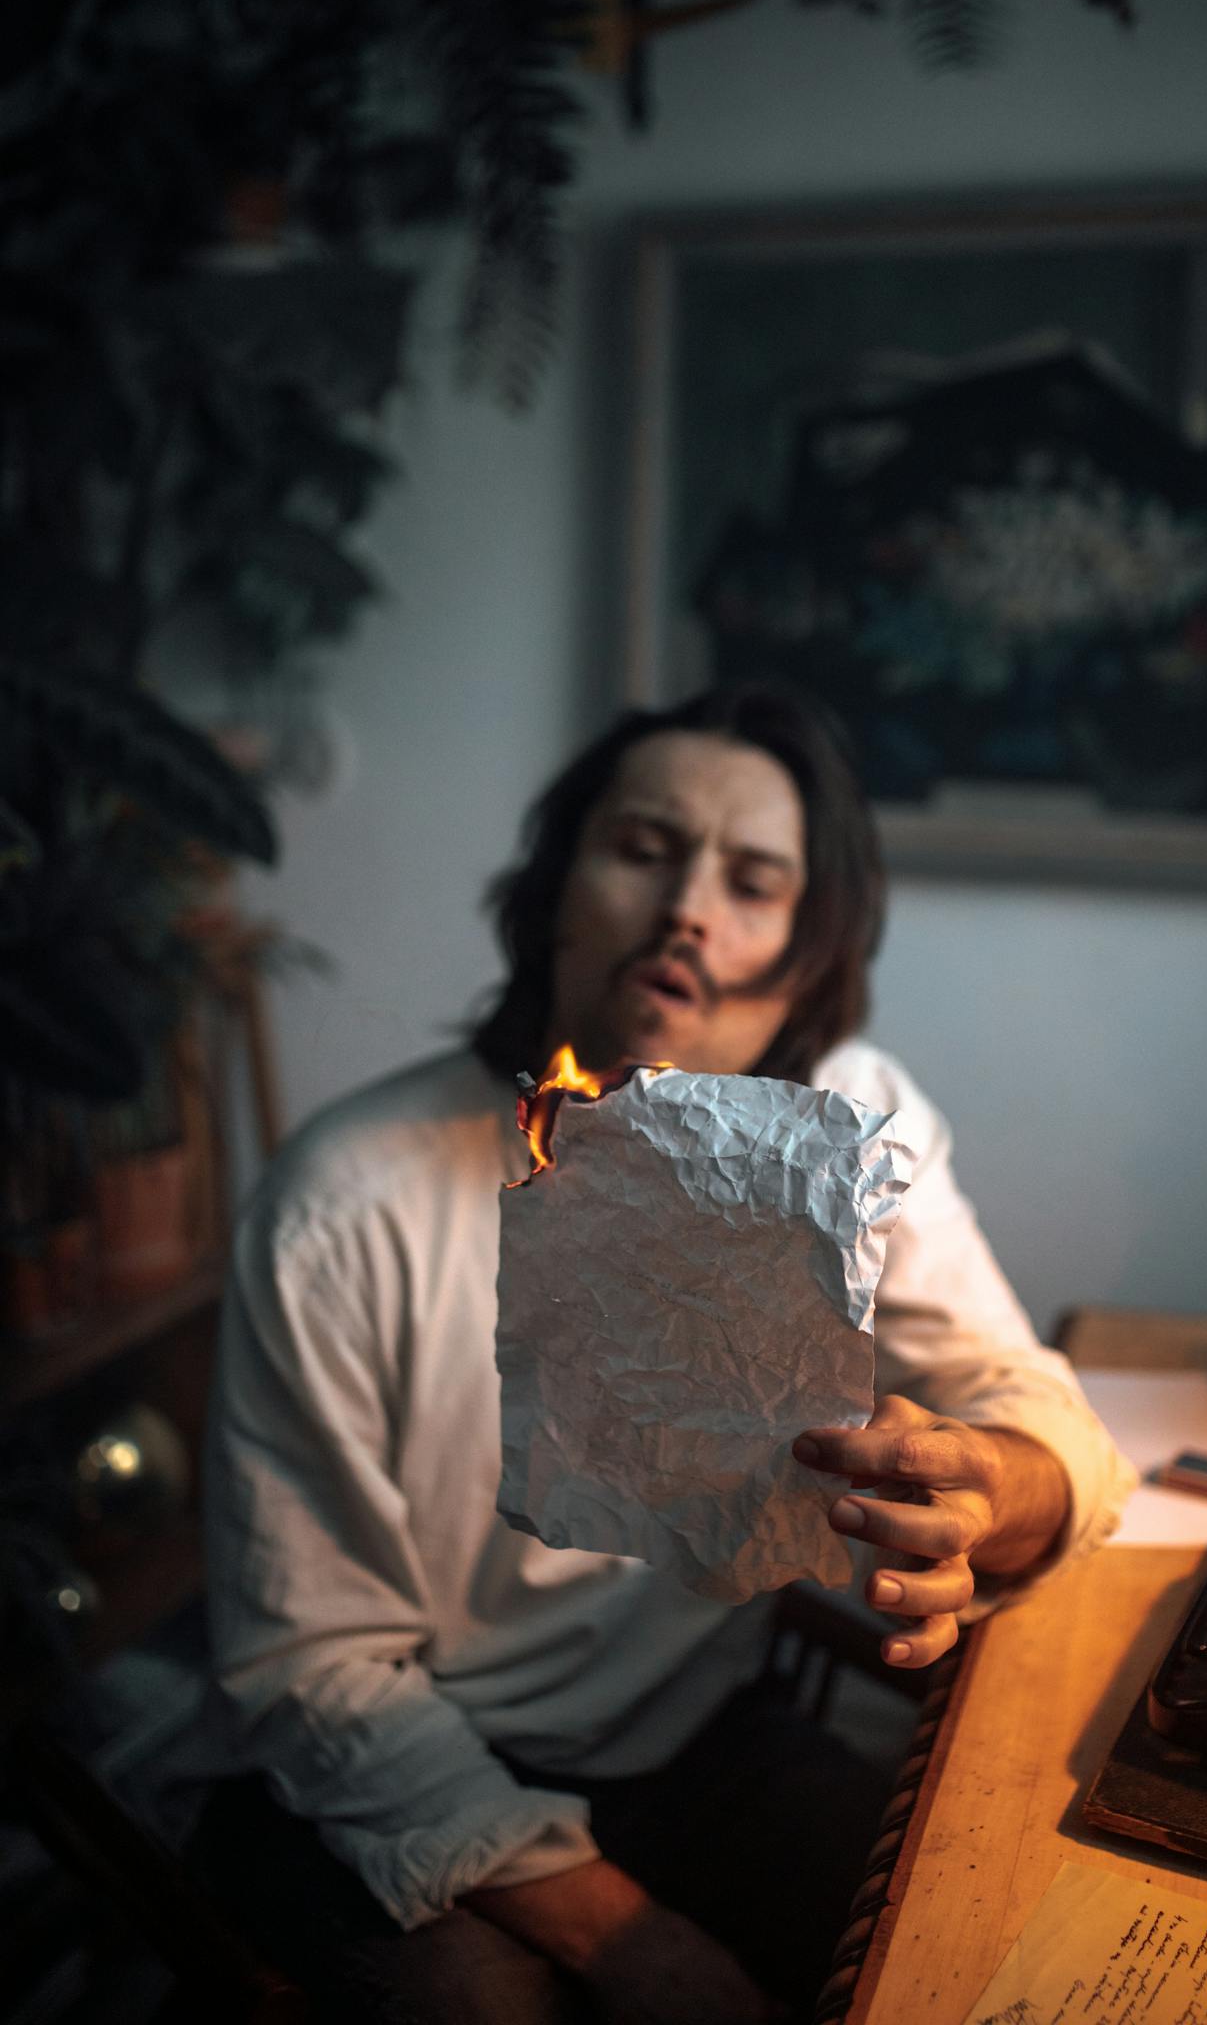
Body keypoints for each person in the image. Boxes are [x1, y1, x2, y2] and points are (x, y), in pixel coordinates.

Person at [199, 685, 1135, 2025]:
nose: (691, 905)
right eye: (644, 849)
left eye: (753, 883)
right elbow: (310, 1667)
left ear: (807, 960)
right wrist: (631, 1944)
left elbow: (1021, 1398)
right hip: (375, 1767)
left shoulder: (843, 1120)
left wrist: (1000, 1484)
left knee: (971, 1943)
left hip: (686, 1738)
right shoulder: (340, 1204)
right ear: (553, 895)